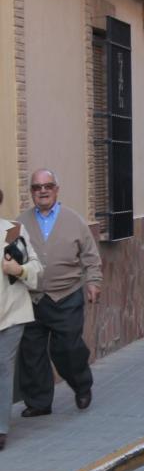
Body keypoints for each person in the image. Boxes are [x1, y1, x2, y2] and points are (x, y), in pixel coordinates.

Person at [18, 169, 103, 416]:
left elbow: (90, 255)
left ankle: (81, 385)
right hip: (32, 296)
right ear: (31, 192)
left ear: (56, 189)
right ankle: (39, 402)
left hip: (67, 295)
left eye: (48, 186)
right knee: (31, 353)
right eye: (36, 187)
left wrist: (93, 282)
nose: (42, 191)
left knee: (67, 347)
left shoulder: (74, 220)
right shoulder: (20, 222)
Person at [0, 188, 43, 449]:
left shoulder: (13, 231)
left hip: (11, 314)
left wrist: (19, 269)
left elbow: (37, 267)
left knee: (2, 370)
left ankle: (1, 429)